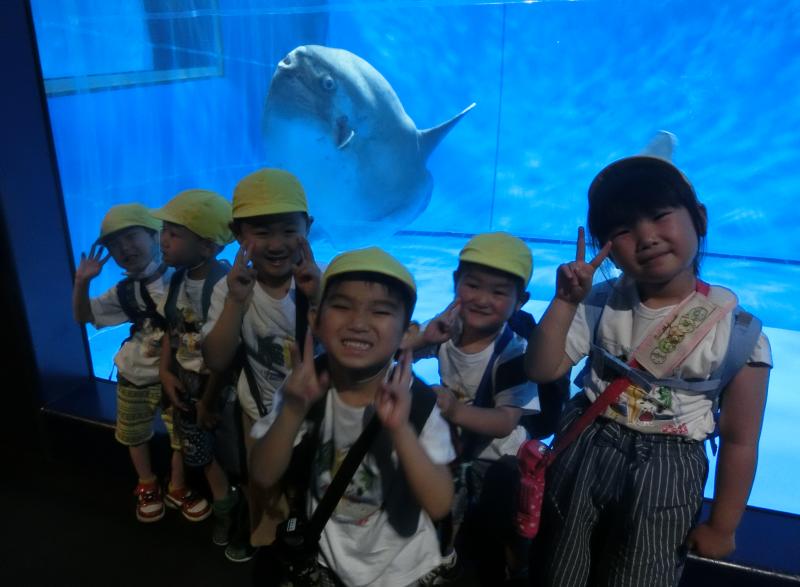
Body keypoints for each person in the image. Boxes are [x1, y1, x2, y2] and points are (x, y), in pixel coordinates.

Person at [524, 155, 772, 586]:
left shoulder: (738, 333)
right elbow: (544, 369)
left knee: (641, 574)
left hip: (669, 468)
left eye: (659, 216)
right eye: (622, 229)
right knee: (558, 567)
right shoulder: (600, 303)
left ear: (700, 219)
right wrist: (565, 300)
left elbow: (740, 439)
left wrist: (724, 525)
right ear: (606, 247)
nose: (646, 236)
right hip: (587, 442)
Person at [249, 247, 456, 586]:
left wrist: (400, 429)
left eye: (381, 311)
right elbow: (262, 474)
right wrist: (293, 410)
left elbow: (439, 504)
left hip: (400, 569)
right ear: (316, 319)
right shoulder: (304, 387)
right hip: (325, 560)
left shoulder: (415, 400)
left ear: (407, 334)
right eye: (342, 306)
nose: (358, 323)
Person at [201, 168, 321, 562]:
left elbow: (344, 351)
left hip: (315, 418)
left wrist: (318, 296)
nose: (276, 244)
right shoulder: (231, 288)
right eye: (261, 232)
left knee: (304, 490)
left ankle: (297, 540)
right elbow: (216, 358)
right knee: (263, 488)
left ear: (309, 227)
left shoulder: (327, 283)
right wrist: (236, 301)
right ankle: (268, 541)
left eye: (289, 230)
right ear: (238, 235)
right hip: (259, 412)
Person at [410, 232, 540, 586]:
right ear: (456, 283)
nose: (482, 299)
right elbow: (400, 352)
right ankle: (445, 561)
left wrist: (453, 411)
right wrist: (425, 338)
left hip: (498, 460)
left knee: (505, 525)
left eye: (498, 292)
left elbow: (505, 421)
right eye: (472, 285)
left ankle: (517, 568)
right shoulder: (447, 329)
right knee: (446, 510)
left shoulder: (515, 354)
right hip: (455, 449)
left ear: (520, 301)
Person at [72, 203, 188, 523]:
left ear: (154, 235)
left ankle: (177, 485)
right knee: (133, 433)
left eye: (131, 236)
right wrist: (82, 282)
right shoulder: (124, 291)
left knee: (182, 435)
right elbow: (84, 315)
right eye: (114, 243)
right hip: (133, 374)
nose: (124, 248)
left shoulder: (183, 276)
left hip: (176, 374)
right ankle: (147, 483)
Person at [151, 189, 239, 541]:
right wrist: (164, 371)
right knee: (200, 453)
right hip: (187, 383)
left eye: (174, 234)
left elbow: (227, 355)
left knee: (232, 454)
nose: (163, 240)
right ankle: (224, 506)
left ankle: (237, 510)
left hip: (219, 387)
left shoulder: (223, 285)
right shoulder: (177, 279)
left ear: (206, 246)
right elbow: (172, 331)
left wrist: (207, 400)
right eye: (164, 231)